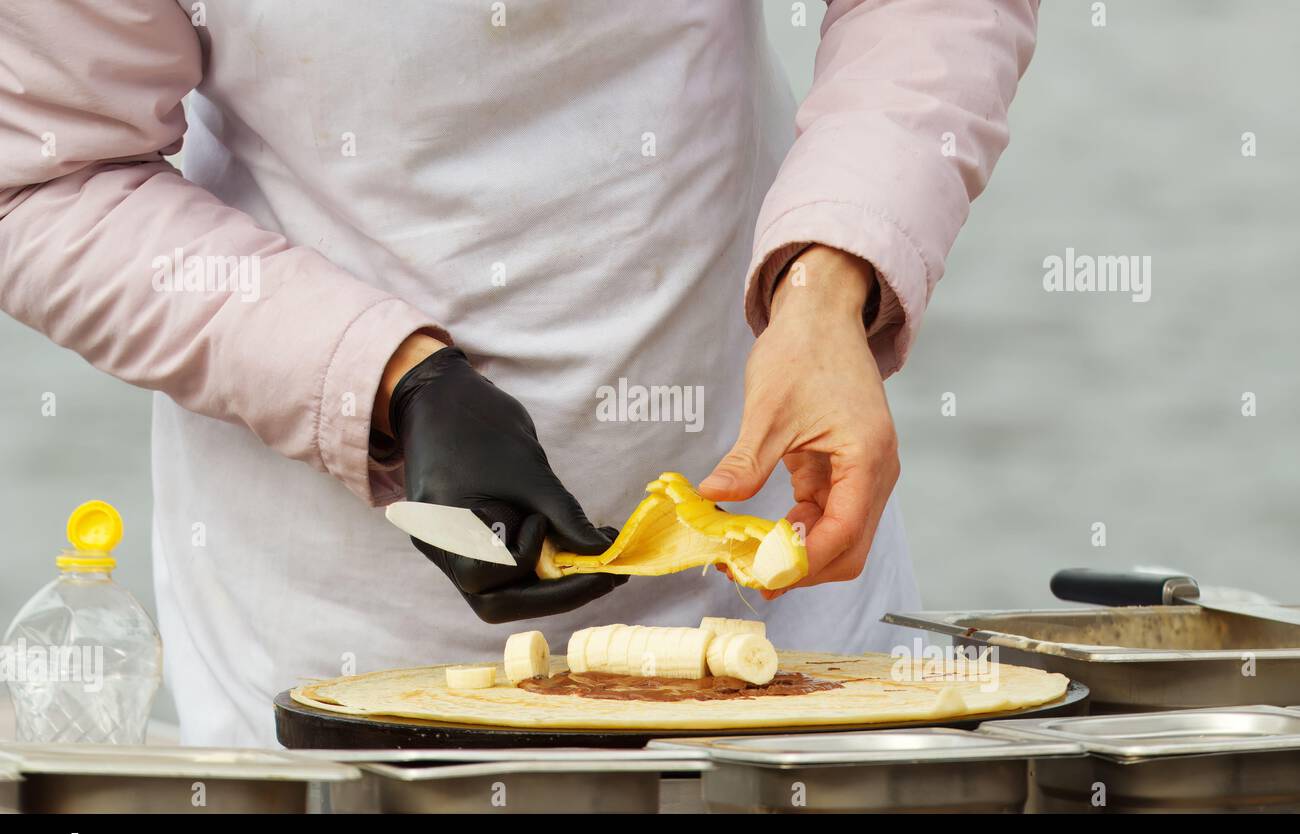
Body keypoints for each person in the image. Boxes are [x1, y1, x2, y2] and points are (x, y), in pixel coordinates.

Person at [0, 0, 1038, 746]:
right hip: (339, 650)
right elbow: (46, 177)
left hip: (783, 620)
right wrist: (383, 378)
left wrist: (831, 278)